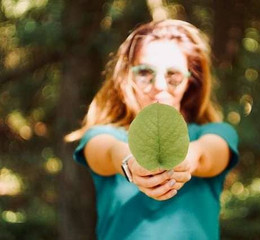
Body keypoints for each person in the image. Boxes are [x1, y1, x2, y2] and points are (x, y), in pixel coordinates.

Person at [66, 19, 239, 240]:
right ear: (128, 76)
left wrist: (186, 159)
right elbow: (109, 153)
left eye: (173, 75)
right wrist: (132, 163)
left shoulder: (217, 133)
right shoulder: (102, 135)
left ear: (190, 81)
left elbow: (207, 155)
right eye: (145, 72)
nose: (159, 85)